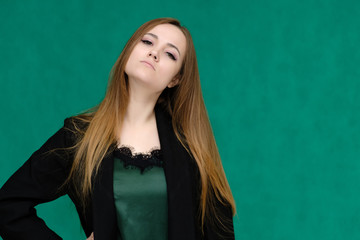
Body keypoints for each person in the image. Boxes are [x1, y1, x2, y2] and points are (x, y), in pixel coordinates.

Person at [0, 17, 236, 240]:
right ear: (129, 52)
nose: (154, 53)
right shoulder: (80, 137)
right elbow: (8, 205)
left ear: (175, 79)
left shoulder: (191, 146)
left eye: (170, 54)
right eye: (147, 42)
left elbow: (220, 232)